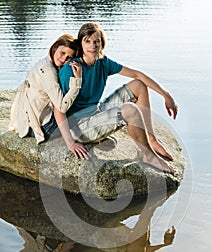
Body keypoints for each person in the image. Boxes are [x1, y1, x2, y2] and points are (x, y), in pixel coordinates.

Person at [56, 23, 179, 173]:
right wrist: (70, 143)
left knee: (139, 85)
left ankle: (151, 139)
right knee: (129, 110)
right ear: (81, 44)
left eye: (97, 41)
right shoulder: (70, 69)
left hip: (96, 111)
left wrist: (166, 95)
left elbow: (137, 75)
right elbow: (58, 108)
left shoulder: (102, 62)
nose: (92, 46)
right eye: (87, 41)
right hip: (79, 126)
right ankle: (148, 156)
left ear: (102, 43)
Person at [10, 34, 82, 144]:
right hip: (42, 128)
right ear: (55, 47)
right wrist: (77, 81)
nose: (63, 59)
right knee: (80, 118)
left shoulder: (44, 61)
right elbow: (62, 107)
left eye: (69, 57)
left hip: (25, 121)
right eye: (62, 53)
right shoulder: (48, 71)